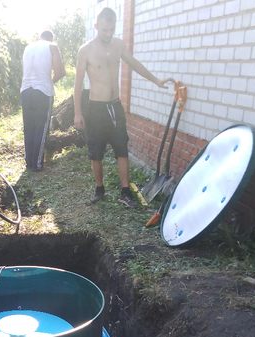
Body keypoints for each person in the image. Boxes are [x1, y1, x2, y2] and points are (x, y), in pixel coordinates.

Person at [74, 7, 174, 208]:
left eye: (111, 30)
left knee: (122, 148)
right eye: (104, 30)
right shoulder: (86, 50)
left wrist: (156, 80)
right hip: (96, 109)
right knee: (96, 151)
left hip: (115, 107)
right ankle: (99, 189)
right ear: (96, 26)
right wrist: (77, 112)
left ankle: (125, 192)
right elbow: (77, 84)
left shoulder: (119, 45)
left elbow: (134, 63)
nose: (108, 34)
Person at [21, 30, 65, 171]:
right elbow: (59, 72)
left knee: (29, 127)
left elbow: (24, 71)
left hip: (25, 90)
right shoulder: (52, 46)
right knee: (41, 127)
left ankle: (28, 162)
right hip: (42, 92)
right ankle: (37, 164)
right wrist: (50, 82)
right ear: (51, 38)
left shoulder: (28, 48)